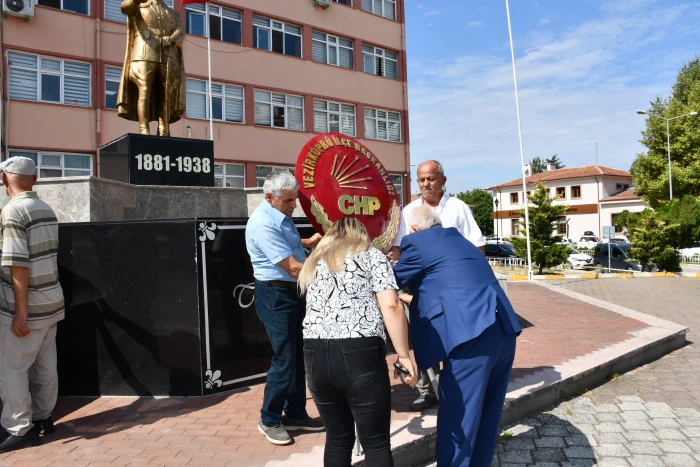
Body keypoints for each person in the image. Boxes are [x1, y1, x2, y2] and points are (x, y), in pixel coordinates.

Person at [393, 205, 521, 467]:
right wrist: (411, 299)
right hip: (502, 330)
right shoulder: (458, 240)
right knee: (487, 416)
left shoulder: (418, 241)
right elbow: (450, 285)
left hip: (472, 337)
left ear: (415, 228)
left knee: (458, 419)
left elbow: (386, 282)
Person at [298, 218, 417, 467]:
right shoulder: (371, 256)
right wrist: (404, 355)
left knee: (337, 438)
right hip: (358, 350)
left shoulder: (314, 260)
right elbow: (391, 306)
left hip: (315, 352)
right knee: (375, 442)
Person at [389, 160, 486, 411]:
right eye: (421, 180)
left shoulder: (457, 208)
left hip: (452, 287)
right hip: (419, 286)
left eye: (430, 179)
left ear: (442, 180)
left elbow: (477, 246)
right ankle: (427, 390)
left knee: (454, 335)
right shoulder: (409, 210)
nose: (425, 184)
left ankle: (454, 387)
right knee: (424, 336)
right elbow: (399, 247)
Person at [245, 171, 324, 445]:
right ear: (269, 197)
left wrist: (308, 243)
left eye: (295, 199)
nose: (294, 205)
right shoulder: (263, 224)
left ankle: (296, 414)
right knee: (285, 358)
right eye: (288, 200)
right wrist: (335, 270)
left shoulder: (279, 215)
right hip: (277, 295)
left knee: (296, 356)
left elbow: (287, 246)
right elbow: (292, 267)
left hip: (290, 293)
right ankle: (268, 419)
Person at [0, 157, 65, 453]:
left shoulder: (12, 212)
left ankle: (18, 428)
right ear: (34, 180)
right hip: (52, 300)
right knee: (45, 366)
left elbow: (18, 264)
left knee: (13, 368)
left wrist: (20, 311)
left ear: (4, 179)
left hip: (26, 306)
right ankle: (43, 418)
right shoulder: (46, 209)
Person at [118, 0, 186, 136]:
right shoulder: (139, 5)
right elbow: (125, 8)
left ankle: (163, 129)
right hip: (144, 52)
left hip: (167, 54)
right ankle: (144, 129)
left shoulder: (172, 13)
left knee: (166, 92)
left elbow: (180, 30)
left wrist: (172, 38)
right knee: (144, 88)